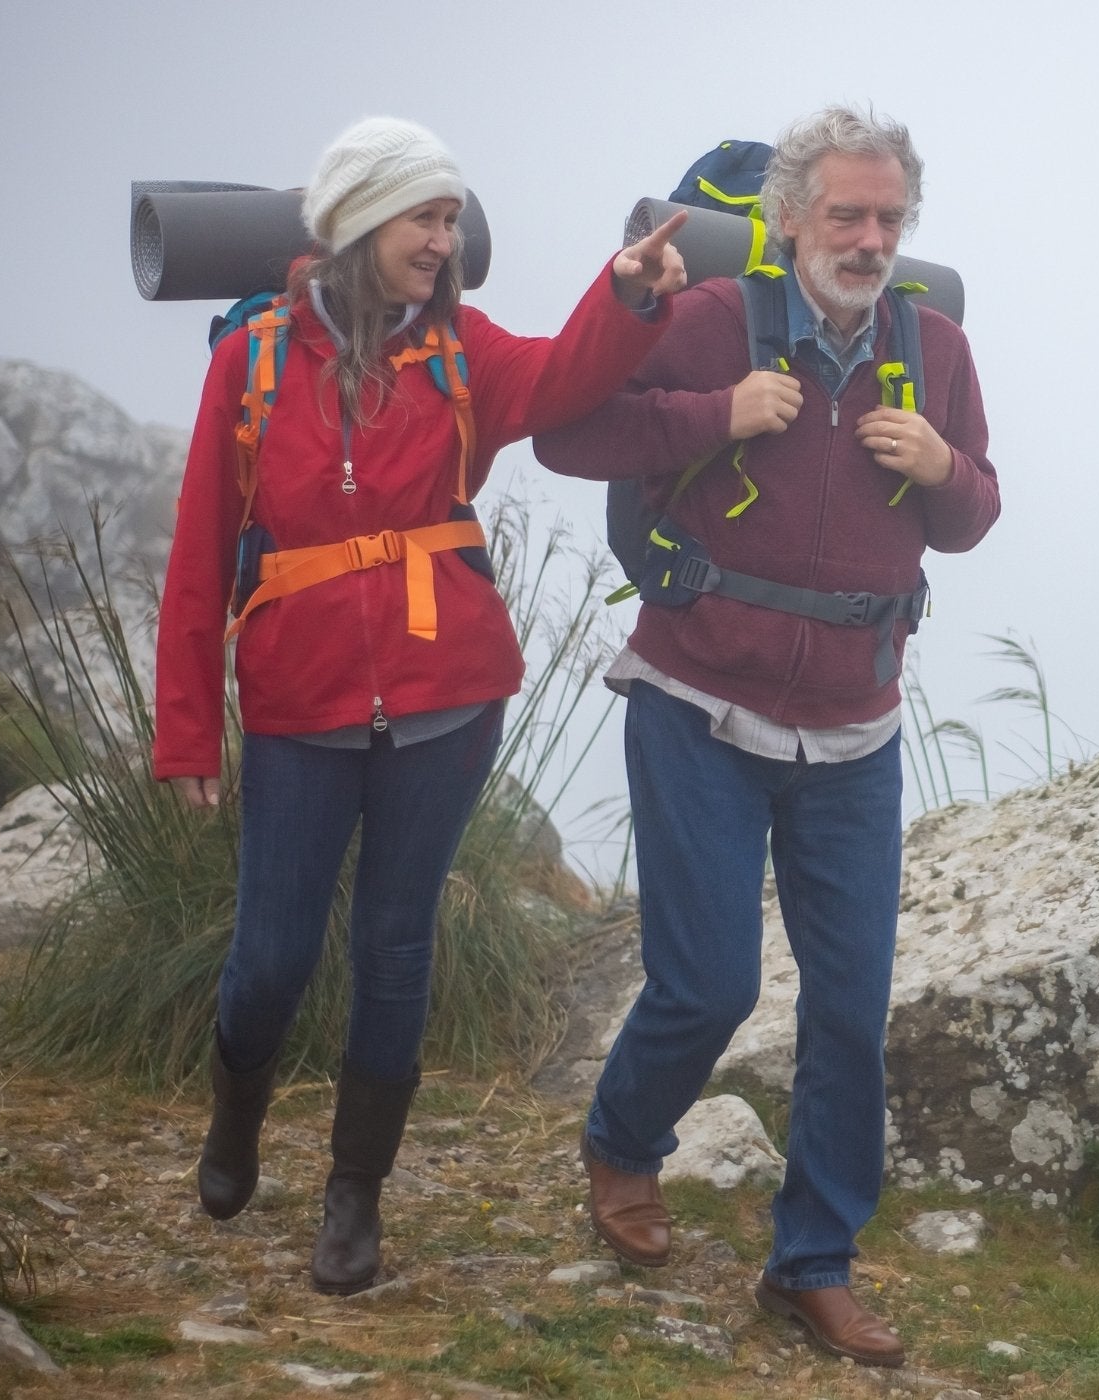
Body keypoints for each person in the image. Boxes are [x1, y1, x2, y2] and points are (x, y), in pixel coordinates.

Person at [150, 116, 687, 1296]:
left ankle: (355, 1196)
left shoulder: (460, 350)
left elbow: (560, 379)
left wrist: (628, 293)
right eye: (424, 218)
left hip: (449, 697)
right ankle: (235, 1106)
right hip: (299, 700)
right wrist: (185, 726)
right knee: (271, 958)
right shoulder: (250, 364)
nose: (444, 241)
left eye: (451, 219)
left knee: (396, 948)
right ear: (356, 224)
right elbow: (198, 555)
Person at [534, 105, 999, 1367]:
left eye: (890, 219)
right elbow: (565, 431)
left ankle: (812, 1264)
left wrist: (944, 464)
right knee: (711, 981)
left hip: (854, 724)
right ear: (789, 217)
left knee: (848, 1010)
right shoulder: (708, 326)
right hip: (698, 698)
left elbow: (974, 514)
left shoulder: (934, 347)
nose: (868, 239)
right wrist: (715, 415)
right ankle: (624, 1141)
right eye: (846, 215)